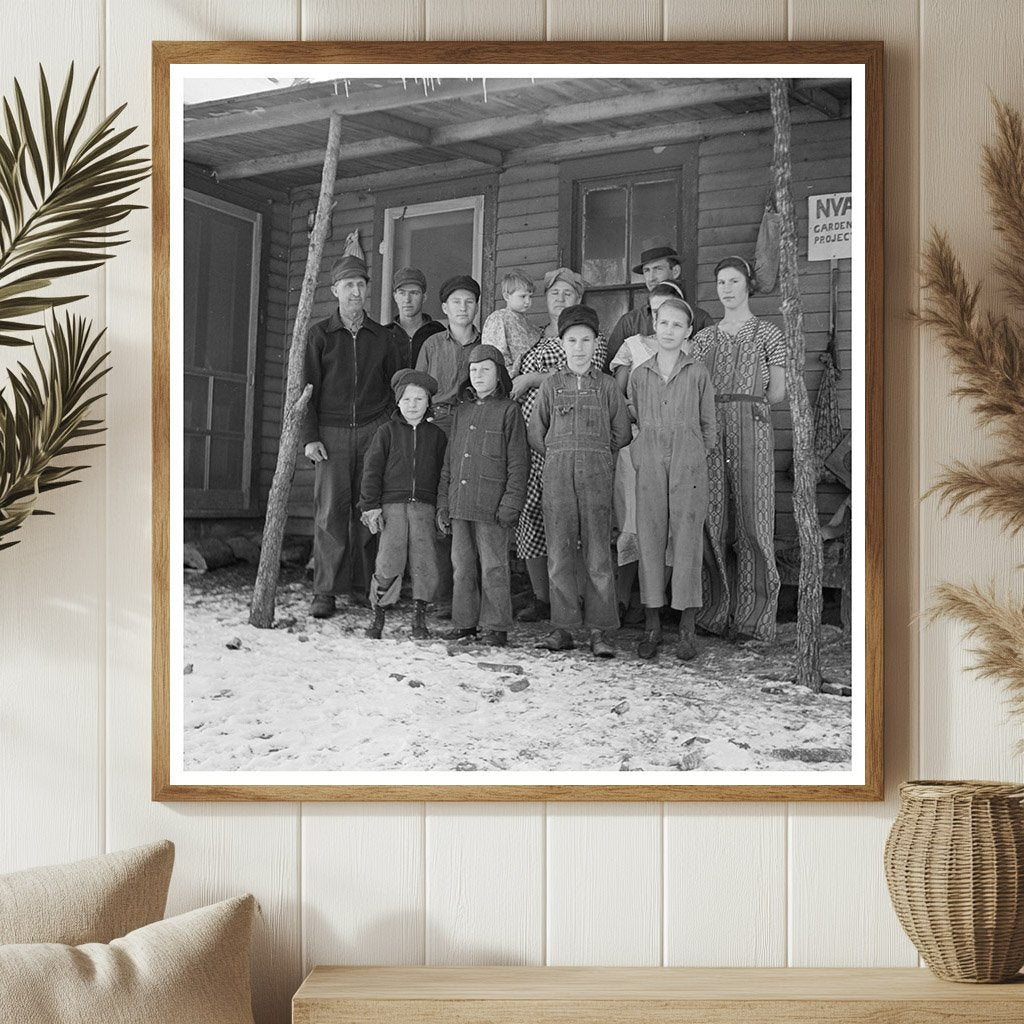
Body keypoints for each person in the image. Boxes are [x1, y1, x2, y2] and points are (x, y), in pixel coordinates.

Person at [302, 254, 404, 619]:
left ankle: (364, 587)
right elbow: (307, 390)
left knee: (369, 510)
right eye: (348, 286)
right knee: (330, 512)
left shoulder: (383, 337)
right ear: (335, 291)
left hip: (373, 431)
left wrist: (387, 429)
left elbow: (396, 387)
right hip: (330, 434)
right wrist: (310, 436)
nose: (355, 292)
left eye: (360, 285)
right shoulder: (320, 335)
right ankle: (326, 591)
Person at [693, 255, 788, 642]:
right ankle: (714, 613)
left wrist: (747, 404)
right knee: (714, 519)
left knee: (753, 520)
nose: (727, 289)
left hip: (753, 426)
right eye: (721, 283)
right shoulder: (703, 339)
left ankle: (753, 620)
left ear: (747, 285)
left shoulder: (769, 334)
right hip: (712, 428)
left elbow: (778, 391)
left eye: (733, 281)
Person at [528, 304, 631, 657]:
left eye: (586, 340)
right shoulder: (551, 386)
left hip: (597, 477)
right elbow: (536, 432)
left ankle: (600, 631)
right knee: (559, 555)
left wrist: (596, 453)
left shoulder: (605, 386)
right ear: (562, 344)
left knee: (598, 555)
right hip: (557, 477)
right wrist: (561, 455)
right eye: (572, 340)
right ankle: (563, 628)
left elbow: (621, 432)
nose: (579, 347)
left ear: (596, 343)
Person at [510, 267, 608, 624]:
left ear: (578, 300)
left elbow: (582, 372)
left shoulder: (591, 339)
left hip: (572, 441)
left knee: (574, 519)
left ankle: (578, 598)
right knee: (533, 514)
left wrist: (531, 378)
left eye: (568, 294)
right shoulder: (534, 340)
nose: (561, 300)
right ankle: (543, 598)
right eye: (555, 294)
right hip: (532, 443)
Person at [628, 297, 717, 660]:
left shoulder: (697, 373)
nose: (669, 331)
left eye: (677, 325)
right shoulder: (640, 375)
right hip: (649, 458)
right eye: (664, 323)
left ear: (688, 332)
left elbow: (710, 426)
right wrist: (643, 451)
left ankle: (687, 628)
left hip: (688, 461)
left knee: (687, 540)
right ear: (655, 325)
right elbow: (634, 420)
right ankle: (652, 626)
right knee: (648, 536)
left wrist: (694, 454)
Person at [437, 345, 530, 648]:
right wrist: (444, 504)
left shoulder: (509, 410)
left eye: (485, 370)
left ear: (499, 373)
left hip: (493, 507)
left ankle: (495, 626)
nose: (478, 376)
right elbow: (450, 461)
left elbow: (518, 463)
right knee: (462, 565)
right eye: (473, 370)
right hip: (460, 504)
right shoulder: (462, 410)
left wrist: (510, 503)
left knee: (494, 567)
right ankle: (465, 624)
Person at [609, 281, 689, 618]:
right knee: (633, 520)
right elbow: (617, 397)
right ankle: (624, 596)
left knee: (667, 523)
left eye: (669, 312)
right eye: (656, 312)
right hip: (637, 443)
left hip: (674, 447)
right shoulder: (633, 346)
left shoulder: (691, 353)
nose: (662, 319)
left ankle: (653, 601)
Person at [359, 369, 448, 641]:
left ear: (428, 403)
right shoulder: (386, 432)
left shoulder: (437, 436)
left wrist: (441, 507)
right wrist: (370, 505)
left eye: (419, 399)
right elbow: (371, 471)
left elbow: (444, 473)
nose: (413, 405)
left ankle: (419, 617)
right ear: (398, 402)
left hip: (424, 508)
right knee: (388, 560)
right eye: (407, 399)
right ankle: (379, 614)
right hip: (392, 508)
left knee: (425, 562)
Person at [604, 245, 713, 370]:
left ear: (676, 271)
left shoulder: (700, 318)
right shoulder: (630, 321)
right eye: (647, 271)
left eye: (658, 269)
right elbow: (610, 368)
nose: (651, 277)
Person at [415, 275, 482, 437]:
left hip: (474, 419)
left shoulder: (485, 345)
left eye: (469, 302)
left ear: (477, 308)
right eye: (456, 302)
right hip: (436, 419)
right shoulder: (432, 345)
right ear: (445, 308)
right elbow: (417, 388)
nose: (463, 308)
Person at [385, 266, 444, 368]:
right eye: (402, 293)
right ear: (395, 296)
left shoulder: (438, 333)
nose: (407, 299)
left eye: (414, 293)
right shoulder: (384, 335)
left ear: (424, 297)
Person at [481, 268, 536, 375]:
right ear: (507, 296)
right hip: (509, 379)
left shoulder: (529, 324)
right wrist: (509, 375)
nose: (527, 301)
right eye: (523, 296)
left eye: (530, 296)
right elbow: (494, 353)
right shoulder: (498, 318)